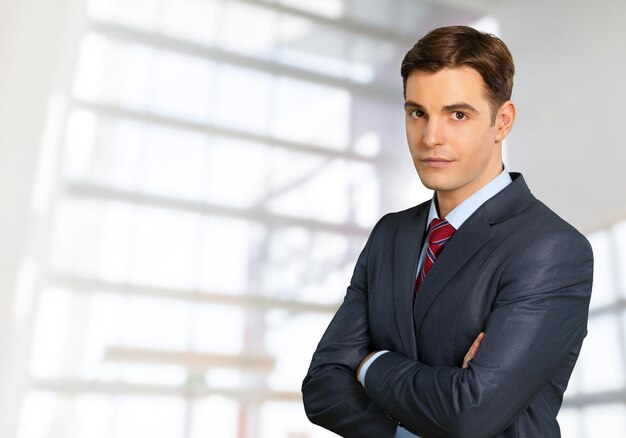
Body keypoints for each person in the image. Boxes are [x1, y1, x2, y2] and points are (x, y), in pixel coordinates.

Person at [301, 25, 593, 438]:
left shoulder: (551, 249)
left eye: (458, 114)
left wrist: (369, 364)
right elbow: (322, 387)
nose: (430, 137)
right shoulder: (390, 235)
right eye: (417, 112)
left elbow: (470, 412)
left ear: (502, 121)